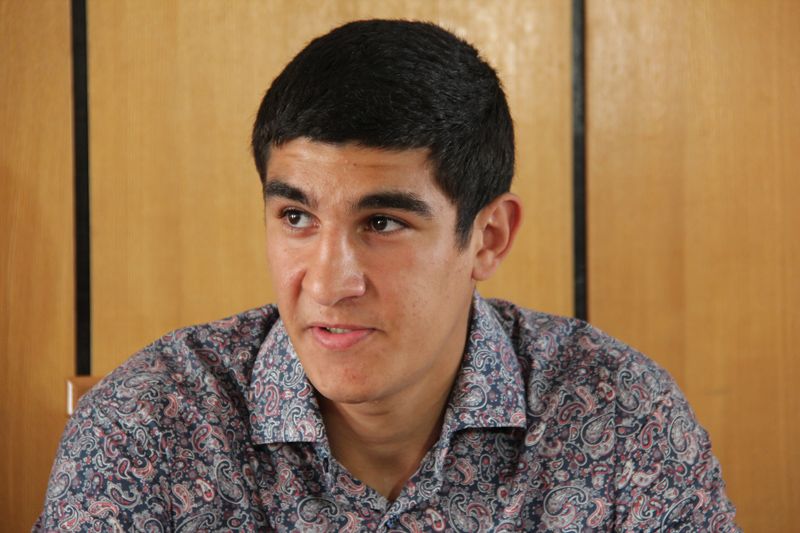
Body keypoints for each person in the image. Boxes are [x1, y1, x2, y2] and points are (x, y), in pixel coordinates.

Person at [36, 19, 739, 531]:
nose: (328, 283)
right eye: (296, 217)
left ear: (488, 237)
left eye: (382, 223)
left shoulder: (621, 418)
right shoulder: (147, 428)